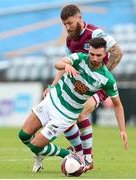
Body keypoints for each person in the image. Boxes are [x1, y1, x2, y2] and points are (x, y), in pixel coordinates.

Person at [18, 37, 128, 173]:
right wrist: (66, 65)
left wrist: (122, 129)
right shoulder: (80, 58)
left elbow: (117, 105)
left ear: (105, 55)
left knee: (35, 146)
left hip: (65, 115)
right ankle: (70, 154)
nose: (94, 58)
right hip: (51, 101)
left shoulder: (107, 79)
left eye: (98, 55)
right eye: (92, 54)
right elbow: (58, 64)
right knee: (23, 136)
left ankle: (69, 155)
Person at [42, 4, 123, 172]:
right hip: (77, 87)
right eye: (64, 24)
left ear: (79, 18)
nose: (67, 27)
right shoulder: (69, 40)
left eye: (70, 23)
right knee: (67, 115)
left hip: (96, 86)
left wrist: (101, 77)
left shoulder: (95, 33)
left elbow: (117, 52)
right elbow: (65, 64)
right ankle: (81, 154)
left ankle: (87, 158)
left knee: (80, 113)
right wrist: (53, 85)